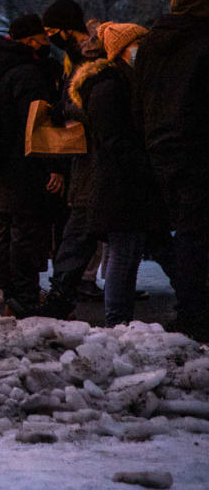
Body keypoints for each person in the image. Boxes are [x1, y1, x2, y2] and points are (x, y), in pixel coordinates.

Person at [71, 22, 168, 326]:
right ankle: (117, 321)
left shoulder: (121, 82)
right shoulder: (110, 87)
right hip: (120, 185)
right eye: (135, 45)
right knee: (123, 255)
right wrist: (143, 165)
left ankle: (119, 320)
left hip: (124, 183)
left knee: (125, 254)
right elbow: (114, 139)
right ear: (120, 50)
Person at [134, 0, 209, 341]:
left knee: (186, 231)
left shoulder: (150, 44)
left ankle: (191, 308)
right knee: (196, 233)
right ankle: (196, 311)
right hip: (199, 148)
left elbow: (139, 99)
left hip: (160, 148)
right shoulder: (202, 42)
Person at [0, 14, 65, 317]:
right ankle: (26, 298)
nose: (47, 41)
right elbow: (38, 125)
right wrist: (53, 164)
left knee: (7, 232)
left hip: (3, 163)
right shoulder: (28, 74)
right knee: (27, 233)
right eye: (43, 35)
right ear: (31, 39)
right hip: (26, 164)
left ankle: (13, 294)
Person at [40, 0, 105, 315]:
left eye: (53, 30)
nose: (51, 36)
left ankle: (60, 296)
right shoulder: (74, 60)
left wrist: (64, 111)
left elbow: (94, 108)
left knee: (79, 232)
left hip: (95, 159)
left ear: (68, 28)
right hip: (87, 159)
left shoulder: (90, 62)